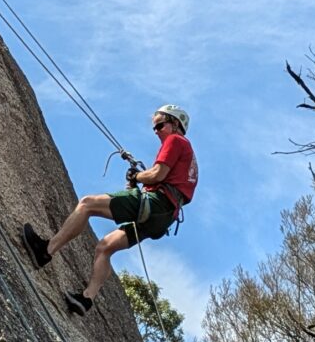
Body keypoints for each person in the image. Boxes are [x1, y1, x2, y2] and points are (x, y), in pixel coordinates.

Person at [23, 106, 196, 315]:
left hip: (157, 203)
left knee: (87, 204)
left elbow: (157, 175)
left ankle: (45, 250)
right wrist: (138, 182)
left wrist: (136, 177)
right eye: (154, 128)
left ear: (175, 124)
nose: (156, 131)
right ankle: (86, 299)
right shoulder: (189, 157)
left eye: (160, 125)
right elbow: (165, 181)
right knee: (105, 247)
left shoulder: (176, 141)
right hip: (163, 218)